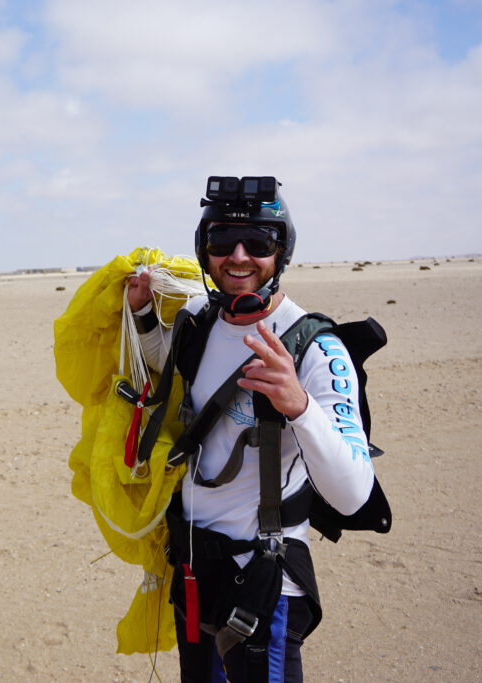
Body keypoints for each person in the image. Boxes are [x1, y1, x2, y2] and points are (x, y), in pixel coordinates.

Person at [126, 177, 376, 682]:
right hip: (196, 568)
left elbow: (354, 495)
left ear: (281, 251)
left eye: (258, 243)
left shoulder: (318, 352)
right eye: (221, 242)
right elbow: (174, 367)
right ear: (204, 249)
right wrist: (143, 313)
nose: (238, 257)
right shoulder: (200, 317)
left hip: (263, 581)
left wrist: (300, 407)